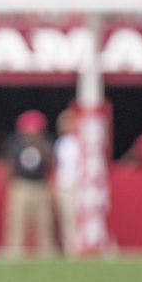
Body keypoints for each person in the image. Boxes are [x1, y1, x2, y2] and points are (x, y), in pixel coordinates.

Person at [1, 109, 55, 257]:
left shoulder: (45, 142)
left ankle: (46, 255)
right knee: (16, 225)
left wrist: (38, 143)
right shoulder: (15, 143)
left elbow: (50, 161)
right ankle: (14, 254)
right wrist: (11, 185)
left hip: (40, 186)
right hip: (21, 185)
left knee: (44, 225)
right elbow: (8, 165)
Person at [52, 108, 82, 256]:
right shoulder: (61, 142)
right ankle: (70, 249)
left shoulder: (81, 141)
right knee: (67, 218)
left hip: (79, 186)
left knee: (79, 218)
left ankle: (81, 246)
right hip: (64, 184)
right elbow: (58, 165)